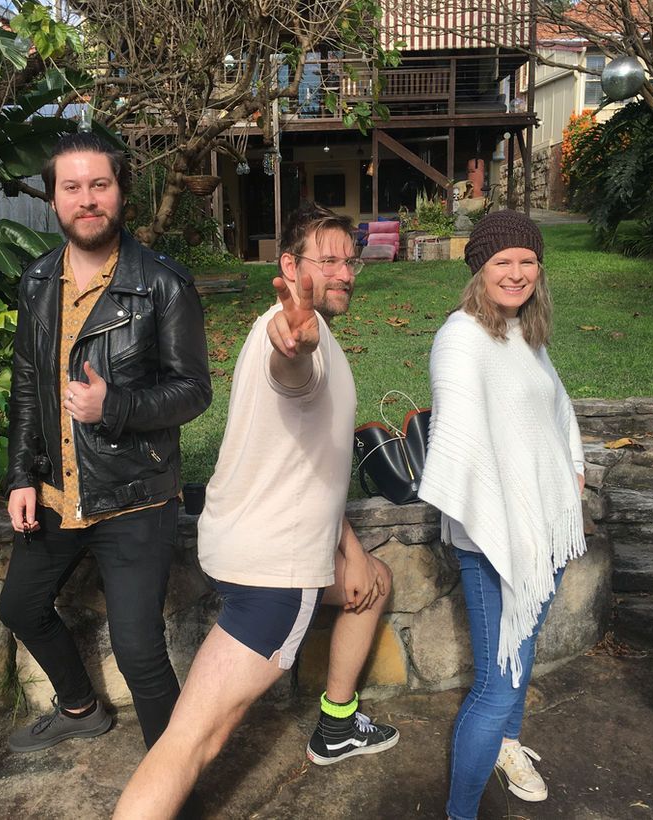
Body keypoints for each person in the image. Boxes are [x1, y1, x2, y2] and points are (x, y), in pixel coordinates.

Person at [113, 202, 398, 820]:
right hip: (275, 576)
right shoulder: (297, 337)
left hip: (239, 549)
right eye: (329, 260)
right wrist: (294, 347)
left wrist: (349, 549)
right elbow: (289, 370)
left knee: (376, 580)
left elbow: (310, 460)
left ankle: (338, 724)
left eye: (352, 260)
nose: (347, 272)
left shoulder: (284, 326)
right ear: (290, 266)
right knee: (191, 742)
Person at [0, 131, 212, 753]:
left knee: (140, 652)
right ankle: (80, 706)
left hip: (135, 494)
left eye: (100, 185)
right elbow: (27, 389)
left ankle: (173, 788)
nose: (87, 199)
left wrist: (113, 405)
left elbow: (194, 391)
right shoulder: (39, 281)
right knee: (20, 608)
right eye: (72, 187)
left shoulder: (163, 284)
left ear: (120, 193)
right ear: (53, 199)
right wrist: (19, 476)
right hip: (56, 491)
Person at [417, 210, 586, 820]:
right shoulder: (462, 337)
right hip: (496, 539)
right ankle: (460, 814)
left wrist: (570, 469)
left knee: (522, 651)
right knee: (496, 686)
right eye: (501, 262)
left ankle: (507, 748)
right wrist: (505, 521)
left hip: (542, 528)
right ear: (478, 271)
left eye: (527, 261)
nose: (516, 273)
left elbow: (556, 409)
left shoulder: (524, 334)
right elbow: (464, 445)